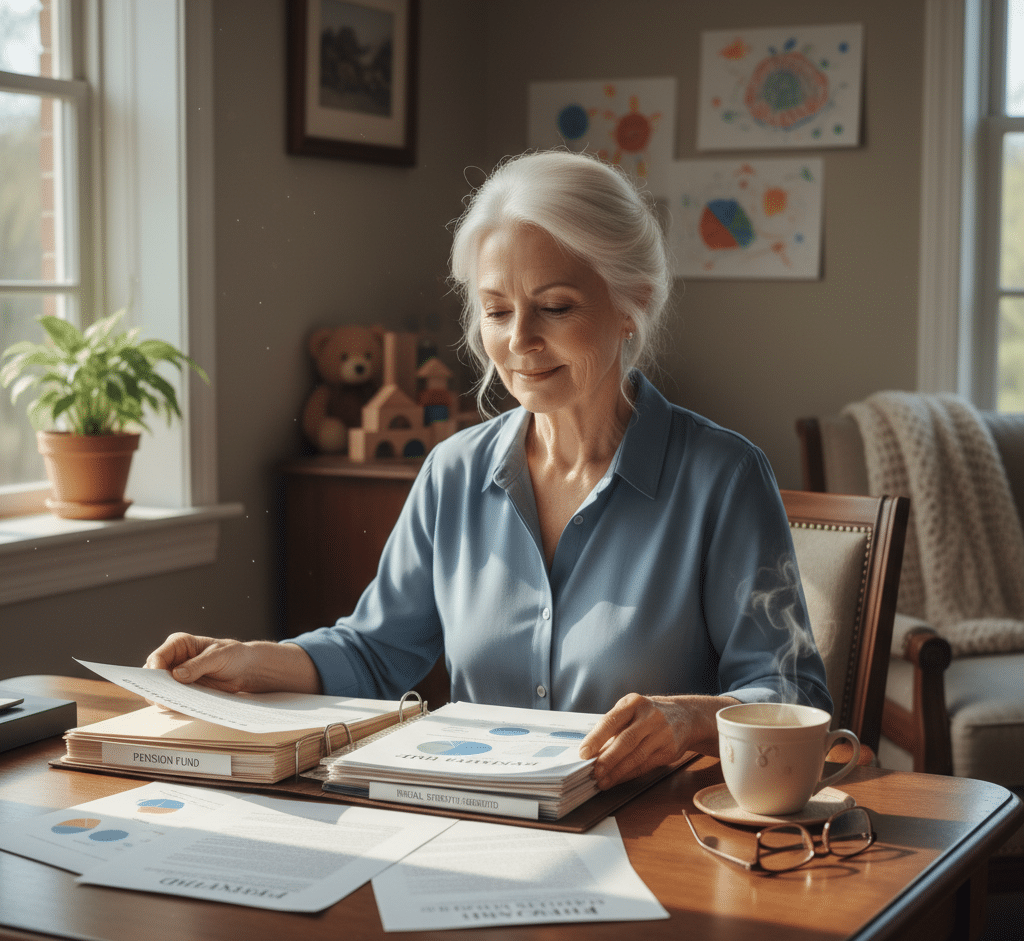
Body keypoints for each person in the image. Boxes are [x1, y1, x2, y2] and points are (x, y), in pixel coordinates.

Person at [147, 150, 829, 791]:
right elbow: (376, 651)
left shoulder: (724, 477)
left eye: (555, 307)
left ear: (633, 305)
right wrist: (246, 660)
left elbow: (793, 695)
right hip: (480, 825)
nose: (519, 341)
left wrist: (688, 722)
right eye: (497, 310)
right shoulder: (452, 473)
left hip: (663, 841)